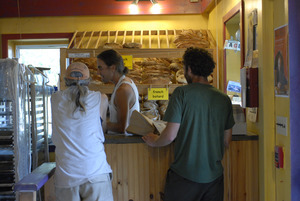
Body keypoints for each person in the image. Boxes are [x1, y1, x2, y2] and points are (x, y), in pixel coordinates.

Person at [142, 47, 235, 201]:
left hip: (185, 177)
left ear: (189, 69)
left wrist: (155, 141)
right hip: (214, 178)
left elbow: (170, 135)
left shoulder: (181, 93)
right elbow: (226, 141)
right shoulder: (224, 99)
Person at [51, 62, 113, 201]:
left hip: (66, 178)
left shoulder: (54, 99)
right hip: (95, 173)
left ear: (65, 81)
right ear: (89, 81)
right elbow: (102, 130)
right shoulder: (101, 98)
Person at [97, 49, 140, 134]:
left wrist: (98, 124)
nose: (98, 73)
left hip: (124, 145)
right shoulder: (121, 84)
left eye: (100, 68)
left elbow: (122, 127)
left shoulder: (123, 90)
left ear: (113, 68)